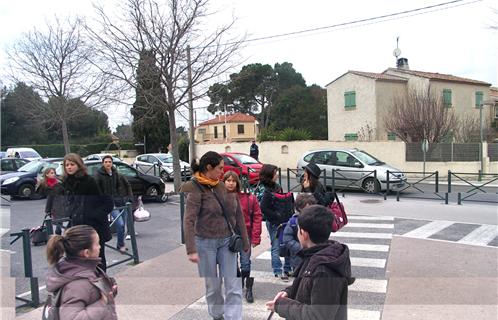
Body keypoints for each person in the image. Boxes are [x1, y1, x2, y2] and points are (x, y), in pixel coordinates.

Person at [181, 151, 250, 320]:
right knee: (213, 286)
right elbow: (188, 221)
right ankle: (217, 315)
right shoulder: (195, 189)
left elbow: (237, 214)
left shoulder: (222, 187)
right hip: (204, 244)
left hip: (227, 242)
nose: (222, 171)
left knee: (233, 285)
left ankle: (233, 317)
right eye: (219, 168)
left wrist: (245, 241)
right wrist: (191, 249)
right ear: (208, 168)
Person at [266, 205, 354, 320]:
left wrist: (282, 305)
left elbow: (318, 316)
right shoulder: (313, 255)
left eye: (298, 230)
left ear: (304, 234)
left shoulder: (324, 270)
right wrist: (289, 292)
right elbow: (307, 286)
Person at [45, 225, 118, 320]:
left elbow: (91, 295)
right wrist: (103, 301)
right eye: (97, 244)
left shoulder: (84, 269)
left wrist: (109, 290)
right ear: (86, 253)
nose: (100, 247)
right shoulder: (77, 284)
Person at [61, 153, 113, 271]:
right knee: (80, 261)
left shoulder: (90, 181)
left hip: (95, 228)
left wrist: (93, 214)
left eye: (72, 164)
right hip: (77, 228)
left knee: (97, 260)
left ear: (79, 165)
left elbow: (108, 203)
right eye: (67, 165)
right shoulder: (65, 182)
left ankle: (101, 285)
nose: (69, 167)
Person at [223, 171, 262, 303]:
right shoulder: (219, 197)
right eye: (228, 180)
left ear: (237, 183)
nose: (230, 183)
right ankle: (238, 285)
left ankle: (248, 286)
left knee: (245, 263)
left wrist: (256, 236)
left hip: (245, 235)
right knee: (231, 263)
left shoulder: (248, 198)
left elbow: (257, 216)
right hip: (227, 236)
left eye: (233, 180)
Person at [258, 164, 292, 281]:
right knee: (276, 245)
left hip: (283, 220)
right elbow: (263, 208)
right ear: (270, 175)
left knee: (287, 243)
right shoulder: (264, 189)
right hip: (273, 222)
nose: (277, 175)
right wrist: (276, 217)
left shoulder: (277, 186)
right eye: (275, 173)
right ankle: (278, 270)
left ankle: (288, 268)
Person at [94, 155, 133, 254]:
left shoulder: (116, 173)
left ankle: (120, 244)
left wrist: (128, 198)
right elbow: (97, 190)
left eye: (109, 162)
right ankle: (120, 245)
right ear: (103, 163)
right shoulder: (98, 175)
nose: (108, 164)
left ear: (112, 163)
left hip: (120, 201)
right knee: (119, 224)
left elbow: (125, 185)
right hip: (109, 204)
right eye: (106, 162)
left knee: (123, 225)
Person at [282, 193, 317, 271]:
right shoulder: (293, 221)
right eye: (306, 208)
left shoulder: (316, 219)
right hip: (298, 258)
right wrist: (300, 248)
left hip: (315, 257)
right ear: (300, 208)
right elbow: (287, 239)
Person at [36, 167, 64, 235]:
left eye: (54, 173)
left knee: (59, 223)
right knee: (58, 223)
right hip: (54, 207)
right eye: (52, 173)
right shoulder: (43, 184)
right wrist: (48, 210)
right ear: (47, 174)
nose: (54, 174)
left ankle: (58, 236)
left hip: (60, 206)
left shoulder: (58, 184)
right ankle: (57, 237)